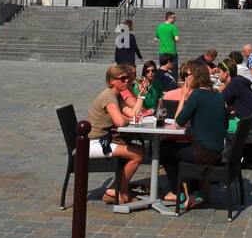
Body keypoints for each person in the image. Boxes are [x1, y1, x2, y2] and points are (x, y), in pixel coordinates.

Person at [161, 62, 228, 210]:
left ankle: (176, 191)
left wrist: (183, 96)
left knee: (164, 149)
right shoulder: (217, 94)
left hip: (203, 152)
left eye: (188, 75)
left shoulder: (197, 94)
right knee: (183, 148)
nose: (186, 79)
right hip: (218, 150)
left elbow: (178, 123)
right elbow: (225, 125)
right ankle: (193, 191)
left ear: (196, 76)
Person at [88, 64, 148, 206]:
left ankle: (119, 190)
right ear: (111, 81)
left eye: (128, 78)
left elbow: (134, 113)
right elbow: (121, 122)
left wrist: (142, 94)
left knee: (137, 150)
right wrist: (128, 119)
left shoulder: (117, 95)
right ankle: (116, 189)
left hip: (103, 140)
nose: (127, 81)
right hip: (93, 143)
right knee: (138, 153)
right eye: (122, 78)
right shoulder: (108, 97)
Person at [219, 58, 252, 123]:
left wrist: (220, 90)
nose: (218, 75)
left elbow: (218, 101)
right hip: (251, 120)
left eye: (219, 71)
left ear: (226, 73)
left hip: (246, 125)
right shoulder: (237, 80)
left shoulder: (234, 84)